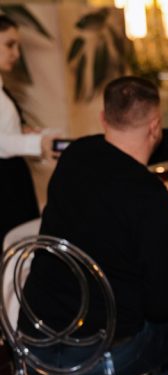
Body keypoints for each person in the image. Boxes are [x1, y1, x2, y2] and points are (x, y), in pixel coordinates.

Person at [20, 76, 168, 375]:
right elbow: (159, 306)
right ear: (155, 126)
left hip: (36, 347)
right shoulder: (150, 195)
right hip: (101, 360)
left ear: (103, 118)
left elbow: (132, 146)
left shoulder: (75, 156)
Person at [0, 15, 58, 246]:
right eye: (9, 44)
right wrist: (37, 144)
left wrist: (23, 133)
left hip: (12, 180)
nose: (16, 54)